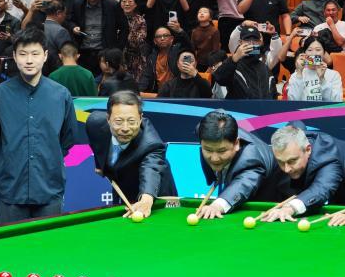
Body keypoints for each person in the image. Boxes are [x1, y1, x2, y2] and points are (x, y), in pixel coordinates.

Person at [0, 28, 76, 224]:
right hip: (10, 190)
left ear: (45, 56)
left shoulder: (61, 95)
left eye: (35, 54)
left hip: (49, 188)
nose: (29, 60)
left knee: (48, 243)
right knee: (7, 243)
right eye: (23, 54)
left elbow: (68, 139)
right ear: (15, 57)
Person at [86, 91, 177, 219]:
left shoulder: (151, 144)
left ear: (140, 118)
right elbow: (96, 143)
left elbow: (151, 169)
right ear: (108, 119)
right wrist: (100, 165)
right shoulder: (94, 123)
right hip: (122, 186)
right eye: (118, 121)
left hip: (157, 193)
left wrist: (146, 199)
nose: (125, 128)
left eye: (131, 121)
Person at [264, 125, 345, 222]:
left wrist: (290, 208)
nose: (286, 169)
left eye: (292, 161)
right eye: (281, 162)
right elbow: (296, 124)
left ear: (308, 150)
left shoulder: (329, 156)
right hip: (340, 191)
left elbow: (322, 188)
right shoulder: (295, 140)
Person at [195, 111, 276, 219]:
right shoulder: (205, 129)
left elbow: (243, 184)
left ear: (236, 143)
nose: (214, 158)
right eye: (208, 150)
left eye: (221, 151)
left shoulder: (251, 159)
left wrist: (217, 205)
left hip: (270, 198)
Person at [68, 0, 125, 75]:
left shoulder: (112, 5)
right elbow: (69, 21)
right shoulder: (78, 4)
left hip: (105, 52)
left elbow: (124, 28)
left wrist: (118, 49)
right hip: (83, 51)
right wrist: (74, 27)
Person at [213, 25, 277, 99]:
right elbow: (219, 78)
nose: (251, 44)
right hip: (238, 106)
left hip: (263, 106)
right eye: (247, 40)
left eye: (255, 40)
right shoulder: (233, 65)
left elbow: (273, 95)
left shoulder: (265, 68)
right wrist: (234, 58)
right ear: (240, 42)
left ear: (260, 43)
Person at [138, 25, 192, 94]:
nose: (162, 38)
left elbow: (189, 47)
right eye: (158, 36)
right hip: (159, 93)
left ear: (172, 39)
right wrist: (139, 91)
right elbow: (146, 76)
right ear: (155, 41)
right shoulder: (152, 57)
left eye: (165, 35)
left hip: (177, 92)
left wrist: (180, 31)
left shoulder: (178, 51)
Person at [287, 37, 343, 102]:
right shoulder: (296, 75)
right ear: (305, 53)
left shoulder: (334, 75)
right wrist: (299, 73)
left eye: (318, 50)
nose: (314, 53)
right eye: (310, 50)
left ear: (324, 53)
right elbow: (292, 101)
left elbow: (337, 102)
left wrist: (322, 79)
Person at [119, 0, 149, 82]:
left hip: (136, 58)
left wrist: (130, 30)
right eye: (124, 1)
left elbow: (139, 40)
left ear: (135, 4)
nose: (127, 4)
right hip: (119, 57)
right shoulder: (116, 18)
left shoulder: (140, 20)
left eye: (130, 1)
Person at [191, 7, 220, 72]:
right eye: (199, 12)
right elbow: (192, 49)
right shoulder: (194, 31)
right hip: (198, 62)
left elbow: (216, 50)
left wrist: (211, 66)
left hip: (211, 63)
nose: (201, 13)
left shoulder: (214, 31)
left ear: (210, 18)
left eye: (205, 12)